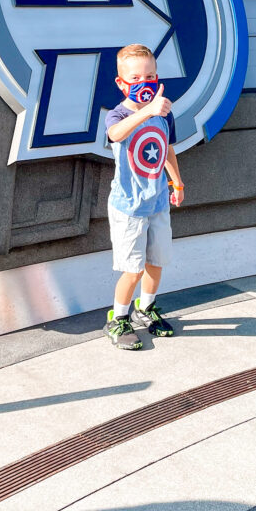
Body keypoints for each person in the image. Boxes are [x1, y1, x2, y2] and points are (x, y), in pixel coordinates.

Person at [103, 43, 185, 349]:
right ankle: (117, 319)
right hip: (129, 208)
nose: (144, 83)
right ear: (122, 83)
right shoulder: (118, 114)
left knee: (155, 263)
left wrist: (176, 181)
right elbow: (116, 134)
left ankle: (145, 310)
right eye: (135, 78)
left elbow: (165, 149)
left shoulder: (164, 113)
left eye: (149, 76)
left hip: (157, 202)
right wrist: (147, 111)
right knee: (133, 269)